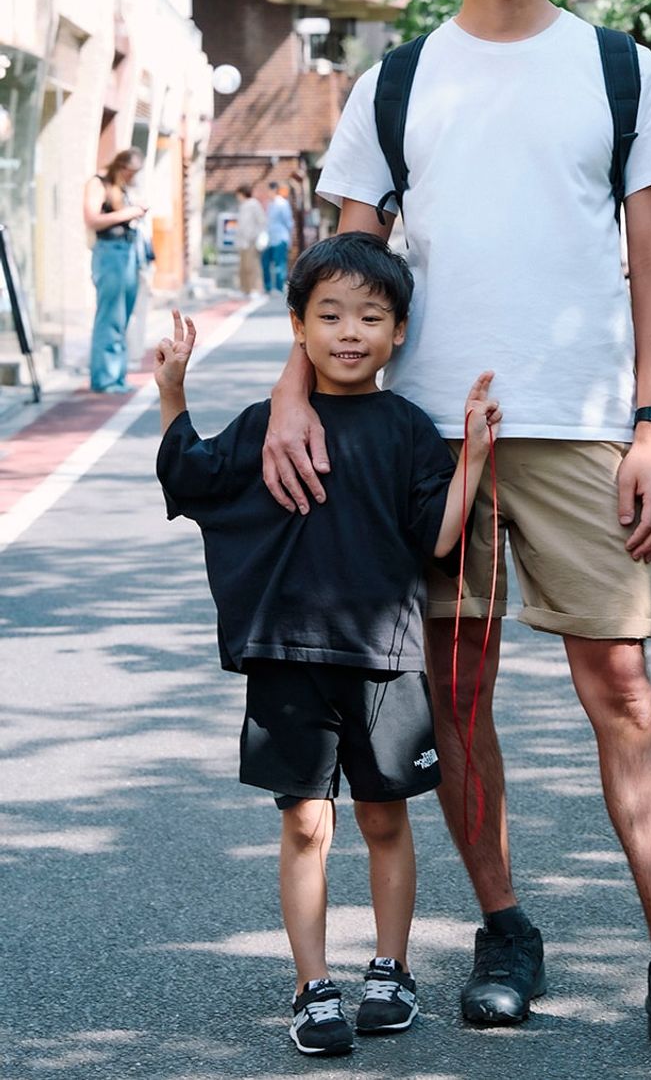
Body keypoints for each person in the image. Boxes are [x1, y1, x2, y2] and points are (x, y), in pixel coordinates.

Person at [259, 0, 651, 1046]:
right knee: (455, 698)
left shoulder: (617, 69)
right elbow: (345, 261)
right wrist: (293, 393)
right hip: (426, 440)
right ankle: (503, 931)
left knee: (623, 686)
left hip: (585, 425)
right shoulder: (393, 84)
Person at [155, 232, 501, 1057]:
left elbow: (440, 538)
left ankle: (392, 966)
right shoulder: (264, 423)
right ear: (298, 326)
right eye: (331, 314)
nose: (351, 331)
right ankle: (313, 984)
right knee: (307, 822)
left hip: (384, 655)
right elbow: (191, 478)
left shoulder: (409, 428)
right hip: (288, 652)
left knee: (384, 817)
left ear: (400, 332)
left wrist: (474, 456)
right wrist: (173, 390)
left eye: (371, 316)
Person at [83, 146, 147, 393]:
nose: (132, 176)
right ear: (120, 166)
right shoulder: (98, 183)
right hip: (109, 252)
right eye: (130, 171)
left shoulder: (120, 188)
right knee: (109, 316)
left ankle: (117, 375)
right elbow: (91, 219)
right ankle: (105, 378)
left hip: (128, 251)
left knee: (122, 317)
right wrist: (126, 214)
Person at [234, 184, 265, 295]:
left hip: (251, 241)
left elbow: (262, 221)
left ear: (242, 194)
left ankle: (255, 289)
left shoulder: (254, 204)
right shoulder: (243, 206)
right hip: (242, 242)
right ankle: (245, 289)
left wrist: (255, 235)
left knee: (252, 266)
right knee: (243, 267)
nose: (237, 197)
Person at [263, 181, 293, 293]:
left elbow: (289, 222)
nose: (267, 193)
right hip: (270, 239)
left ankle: (279, 287)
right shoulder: (270, 204)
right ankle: (268, 287)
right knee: (265, 262)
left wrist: (289, 238)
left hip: (280, 237)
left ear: (274, 190)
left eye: (269, 191)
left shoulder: (282, 204)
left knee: (279, 264)